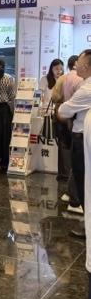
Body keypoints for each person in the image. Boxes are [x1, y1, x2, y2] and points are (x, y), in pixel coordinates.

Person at [57, 50, 91, 232]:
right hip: (82, 135)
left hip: (82, 137)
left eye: (79, 62)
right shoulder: (84, 84)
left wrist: (62, 110)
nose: (76, 65)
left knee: (83, 181)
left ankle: (88, 226)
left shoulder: (86, 89)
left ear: (87, 66)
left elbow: (64, 110)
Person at [52, 55, 83, 201]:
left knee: (64, 146)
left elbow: (55, 97)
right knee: (76, 150)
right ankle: (73, 182)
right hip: (77, 119)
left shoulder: (62, 79)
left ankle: (64, 175)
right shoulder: (82, 79)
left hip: (62, 116)